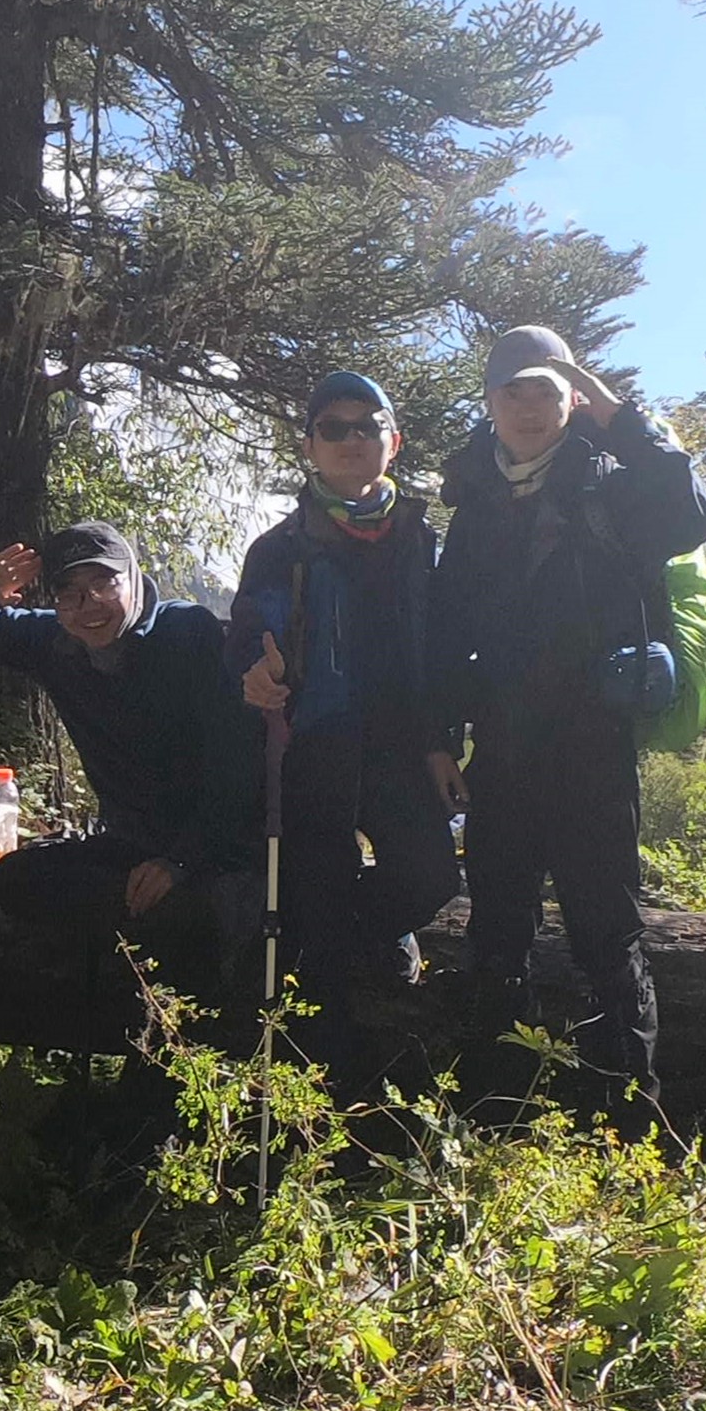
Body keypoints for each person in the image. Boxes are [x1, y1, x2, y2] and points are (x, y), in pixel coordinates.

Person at [430, 327, 706, 1104]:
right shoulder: (475, 504)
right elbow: (448, 634)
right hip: (502, 752)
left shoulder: (612, 485)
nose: (529, 407)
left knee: (608, 935)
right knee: (496, 931)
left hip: (594, 752)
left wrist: (622, 419)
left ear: (574, 401)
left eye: (547, 391)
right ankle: (498, 1111)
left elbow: (695, 514)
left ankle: (628, 1120)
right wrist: (438, 742)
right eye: (512, 391)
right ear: (490, 404)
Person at [228, 372, 463, 1082]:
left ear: (393, 441)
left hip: (399, 746)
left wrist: (441, 741)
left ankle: (347, 935)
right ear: (310, 445)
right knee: (322, 916)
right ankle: (337, 1090)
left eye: (368, 425)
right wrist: (255, 669)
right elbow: (250, 626)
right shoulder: (280, 546)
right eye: (335, 427)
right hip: (312, 750)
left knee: (430, 879)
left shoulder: (424, 540)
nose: (352, 438)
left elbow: (447, 650)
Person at [0, 520, 260, 985]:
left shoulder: (187, 634)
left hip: (218, 845)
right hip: (132, 846)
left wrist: (181, 860)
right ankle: (170, 930)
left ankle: (184, 933)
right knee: (15, 878)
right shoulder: (55, 642)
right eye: (71, 592)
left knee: (186, 906)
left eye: (104, 583)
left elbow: (235, 765)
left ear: (133, 578)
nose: (89, 604)